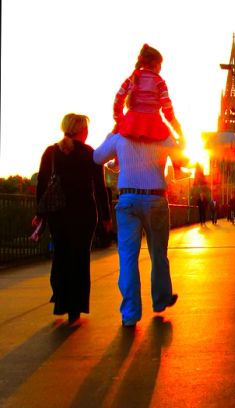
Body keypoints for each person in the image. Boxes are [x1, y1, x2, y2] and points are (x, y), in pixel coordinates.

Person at [93, 131, 179, 327]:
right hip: (156, 198)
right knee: (158, 254)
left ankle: (130, 314)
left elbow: (97, 157)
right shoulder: (161, 134)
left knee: (128, 258)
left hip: (128, 199)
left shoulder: (121, 136)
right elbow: (180, 156)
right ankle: (161, 299)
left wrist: (111, 136)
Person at [33, 113, 111, 325]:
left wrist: (40, 214)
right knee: (80, 258)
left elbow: (42, 183)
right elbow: (99, 187)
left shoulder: (52, 152)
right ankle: (75, 307)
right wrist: (106, 216)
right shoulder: (90, 153)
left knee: (61, 255)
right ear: (81, 130)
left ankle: (61, 299)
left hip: (58, 213)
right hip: (84, 213)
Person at [112, 43, 189, 180]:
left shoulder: (131, 79)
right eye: (160, 65)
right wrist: (179, 131)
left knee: (115, 135)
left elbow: (118, 98)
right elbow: (167, 110)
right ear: (155, 64)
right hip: (153, 121)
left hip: (131, 120)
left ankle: (116, 162)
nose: (161, 69)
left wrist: (119, 118)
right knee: (170, 142)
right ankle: (178, 169)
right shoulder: (159, 82)